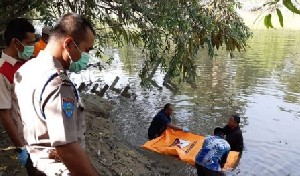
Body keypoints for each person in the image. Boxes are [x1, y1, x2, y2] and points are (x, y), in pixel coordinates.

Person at [14, 13, 99, 175]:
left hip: (34, 162)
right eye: (85, 50)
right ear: (68, 44)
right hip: (57, 169)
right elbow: (67, 148)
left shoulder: (25, 69)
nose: (86, 56)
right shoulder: (58, 83)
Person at [0, 18, 36, 175]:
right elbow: (5, 115)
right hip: (27, 140)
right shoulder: (2, 71)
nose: (32, 48)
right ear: (16, 43)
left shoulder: (26, 62)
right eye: (29, 43)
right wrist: (21, 148)